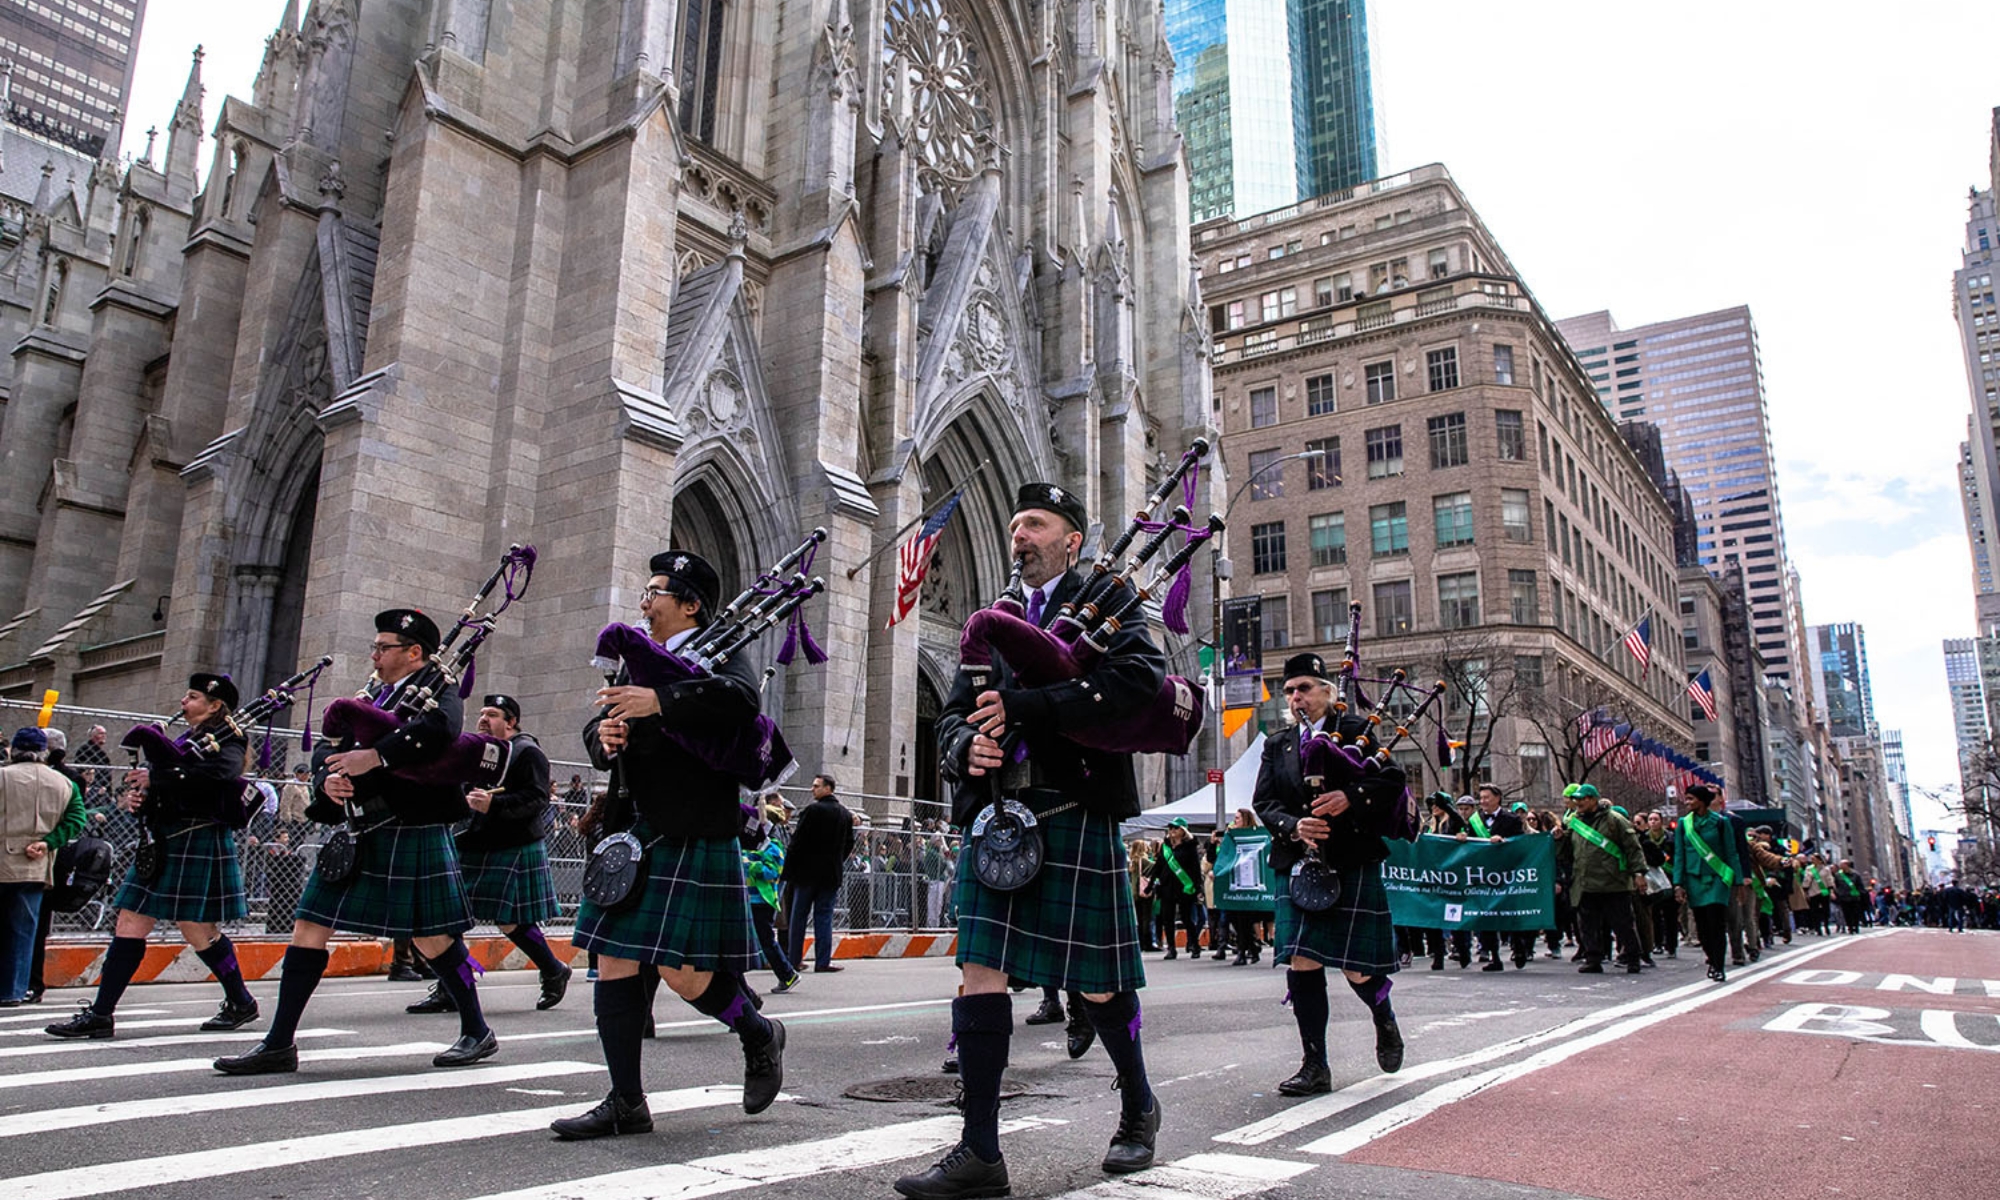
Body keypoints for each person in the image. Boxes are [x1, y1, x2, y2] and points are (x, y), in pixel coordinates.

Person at [895, 482, 1164, 1198]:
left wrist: (1028, 707)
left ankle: (1138, 1105)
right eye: (1013, 525)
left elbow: (1140, 684)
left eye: (1035, 524)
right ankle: (980, 1150)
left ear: (1070, 540)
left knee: (1100, 986)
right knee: (979, 972)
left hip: (1074, 805)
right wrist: (963, 752)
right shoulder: (998, 617)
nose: (1019, 536)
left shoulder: (1110, 603)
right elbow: (957, 712)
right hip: (998, 818)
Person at [549, 550, 784, 1140]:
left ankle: (757, 1032)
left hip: (691, 827)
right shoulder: (633, 661)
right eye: (646, 590)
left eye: (657, 591)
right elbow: (603, 725)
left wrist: (663, 700)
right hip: (630, 829)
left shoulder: (721, 647)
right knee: (615, 961)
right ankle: (626, 1101)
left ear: (690, 604)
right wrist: (602, 737)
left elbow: (742, 702)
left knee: (683, 975)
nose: (645, 600)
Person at [213, 608, 497, 1075]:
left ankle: (475, 1029)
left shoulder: (440, 688)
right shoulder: (373, 692)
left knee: (433, 940)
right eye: (376, 646)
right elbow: (328, 743)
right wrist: (328, 777)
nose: (375, 655)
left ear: (414, 652)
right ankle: (279, 1042)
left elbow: (439, 735)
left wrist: (376, 757)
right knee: (308, 926)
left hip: (410, 824)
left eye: (384, 648)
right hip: (358, 826)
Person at [48, 675, 262, 1038]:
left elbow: (220, 775)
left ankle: (241, 1001)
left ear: (214, 705)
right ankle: (101, 1013)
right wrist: (140, 800)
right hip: (163, 840)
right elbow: (173, 784)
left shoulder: (228, 738)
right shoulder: (186, 740)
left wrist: (157, 779)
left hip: (196, 839)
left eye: (193, 697)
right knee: (129, 923)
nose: (183, 701)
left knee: (198, 930)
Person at [1252, 651, 1408, 1098]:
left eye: (1303, 688)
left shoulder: (1357, 731)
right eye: (1289, 691)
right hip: (1299, 862)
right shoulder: (1276, 743)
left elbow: (1392, 781)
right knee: (1302, 959)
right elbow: (1265, 804)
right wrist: (1293, 826)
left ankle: (1384, 1017)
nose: (1295, 698)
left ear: (1327, 691)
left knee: (1358, 970)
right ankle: (1315, 1063)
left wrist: (1349, 797)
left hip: (1351, 858)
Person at [408, 694, 572, 1016]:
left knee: (511, 921)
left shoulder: (528, 752)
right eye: (482, 713)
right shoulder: (479, 751)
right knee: (447, 916)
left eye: (492, 714)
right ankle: (450, 986)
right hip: (472, 842)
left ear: (511, 721)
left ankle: (554, 969)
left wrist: (495, 804)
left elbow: (538, 799)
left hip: (512, 844)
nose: (483, 719)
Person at [2, 728, 87, 1005]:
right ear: (43, 752)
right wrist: (49, 842)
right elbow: (76, 819)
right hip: (36, 865)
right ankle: (13, 990)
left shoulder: (3, 776)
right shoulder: (64, 784)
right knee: (24, 930)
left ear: (13, 750)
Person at [1558, 785, 1646, 975]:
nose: (1578, 803)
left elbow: (1632, 847)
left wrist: (1639, 873)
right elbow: (1567, 853)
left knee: (1622, 924)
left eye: (1582, 799)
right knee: (1588, 925)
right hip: (1585, 882)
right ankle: (1593, 958)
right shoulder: (1574, 822)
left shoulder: (1615, 820)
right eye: (1576, 799)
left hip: (1613, 882)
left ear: (1593, 799)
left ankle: (1632, 958)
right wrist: (1559, 839)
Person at [782, 773, 854, 974]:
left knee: (798, 917)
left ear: (828, 788)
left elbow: (797, 842)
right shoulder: (844, 814)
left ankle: (794, 959)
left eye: (816, 786)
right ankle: (822, 961)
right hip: (830, 874)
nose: (812, 789)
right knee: (824, 917)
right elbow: (849, 843)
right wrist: (837, 861)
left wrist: (788, 870)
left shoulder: (812, 811)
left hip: (806, 873)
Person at [1671, 785, 1741, 982]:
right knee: (1702, 926)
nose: (1687, 802)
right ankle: (1711, 957)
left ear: (1702, 800)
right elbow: (1679, 855)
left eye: (1691, 799)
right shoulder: (1684, 824)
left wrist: (1737, 880)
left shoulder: (1721, 822)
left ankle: (1719, 965)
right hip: (1694, 879)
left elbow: (1731, 851)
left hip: (1717, 878)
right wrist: (1678, 883)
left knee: (1716, 922)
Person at [1459, 783, 1532, 971]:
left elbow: (1520, 844)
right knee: (1487, 916)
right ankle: (1494, 956)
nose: (1483, 801)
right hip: (1484, 875)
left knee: (1510, 914)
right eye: (1481, 798)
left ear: (1497, 798)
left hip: (1506, 874)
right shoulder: (1475, 820)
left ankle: (1519, 948)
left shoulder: (1512, 819)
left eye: (1486, 797)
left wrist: (1503, 841)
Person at [743, 794, 802, 993]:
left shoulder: (774, 847)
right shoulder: (755, 845)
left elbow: (771, 872)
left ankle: (787, 974)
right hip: (750, 899)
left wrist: (749, 865)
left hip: (763, 900)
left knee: (766, 940)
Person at [1149, 818, 1202, 959]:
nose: (1172, 831)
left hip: (1184, 886)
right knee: (1167, 918)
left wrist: (1198, 887)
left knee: (1186, 918)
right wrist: (1151, 884)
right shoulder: (1166, 847)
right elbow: (1158, 866)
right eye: (1171, 828)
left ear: (1183, 831)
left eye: (1176, 828)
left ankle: (1194, 944)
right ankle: (1171, 948)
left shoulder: (1190, 847)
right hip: (1167, 887)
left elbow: (1195, 868)